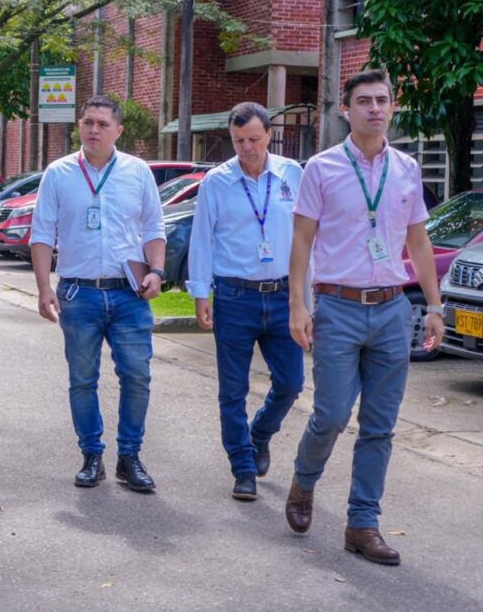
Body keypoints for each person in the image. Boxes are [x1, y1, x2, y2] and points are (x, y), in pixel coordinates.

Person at [286, 69, 444, 565]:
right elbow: (302, 240)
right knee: (331, 415)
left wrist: (435, 306)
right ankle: (304, 482)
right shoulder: (322, 168)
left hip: (393, 310)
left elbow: (418, 242)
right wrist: (297, 305)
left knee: (380, 425)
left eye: (382, 100)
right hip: (337, 307)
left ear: (392, 107)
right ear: (345, 109)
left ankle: (362, 523)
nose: (374, 108)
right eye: (364, 101)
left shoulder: (407, 169)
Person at [30, 95, 165, 492]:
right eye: (88, 122)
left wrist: (157, 271)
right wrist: (43, 287)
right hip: (78, 293)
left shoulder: (138, 172)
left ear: (118, 131)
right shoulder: (58, 173)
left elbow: (153, 228)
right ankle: (91, 456)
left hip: (128, 294)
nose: (93, 130)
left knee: (137, 377)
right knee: (83, 379)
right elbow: (42, 233)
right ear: (79, 126)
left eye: (103, 124)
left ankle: (130, 457)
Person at [186, 102, 305, 502]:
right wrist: (200, 292)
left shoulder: (292, 174)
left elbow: (307, 237)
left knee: (291, 383)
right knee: (233, 390)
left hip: (284, 295)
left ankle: (260, 434)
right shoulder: (217, 182)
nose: (247, 148)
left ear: (269, 134)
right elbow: (202, 239)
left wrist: (307, 298)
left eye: (254, 139)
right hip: (235, 296)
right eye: (239, 141)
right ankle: (243, 467)